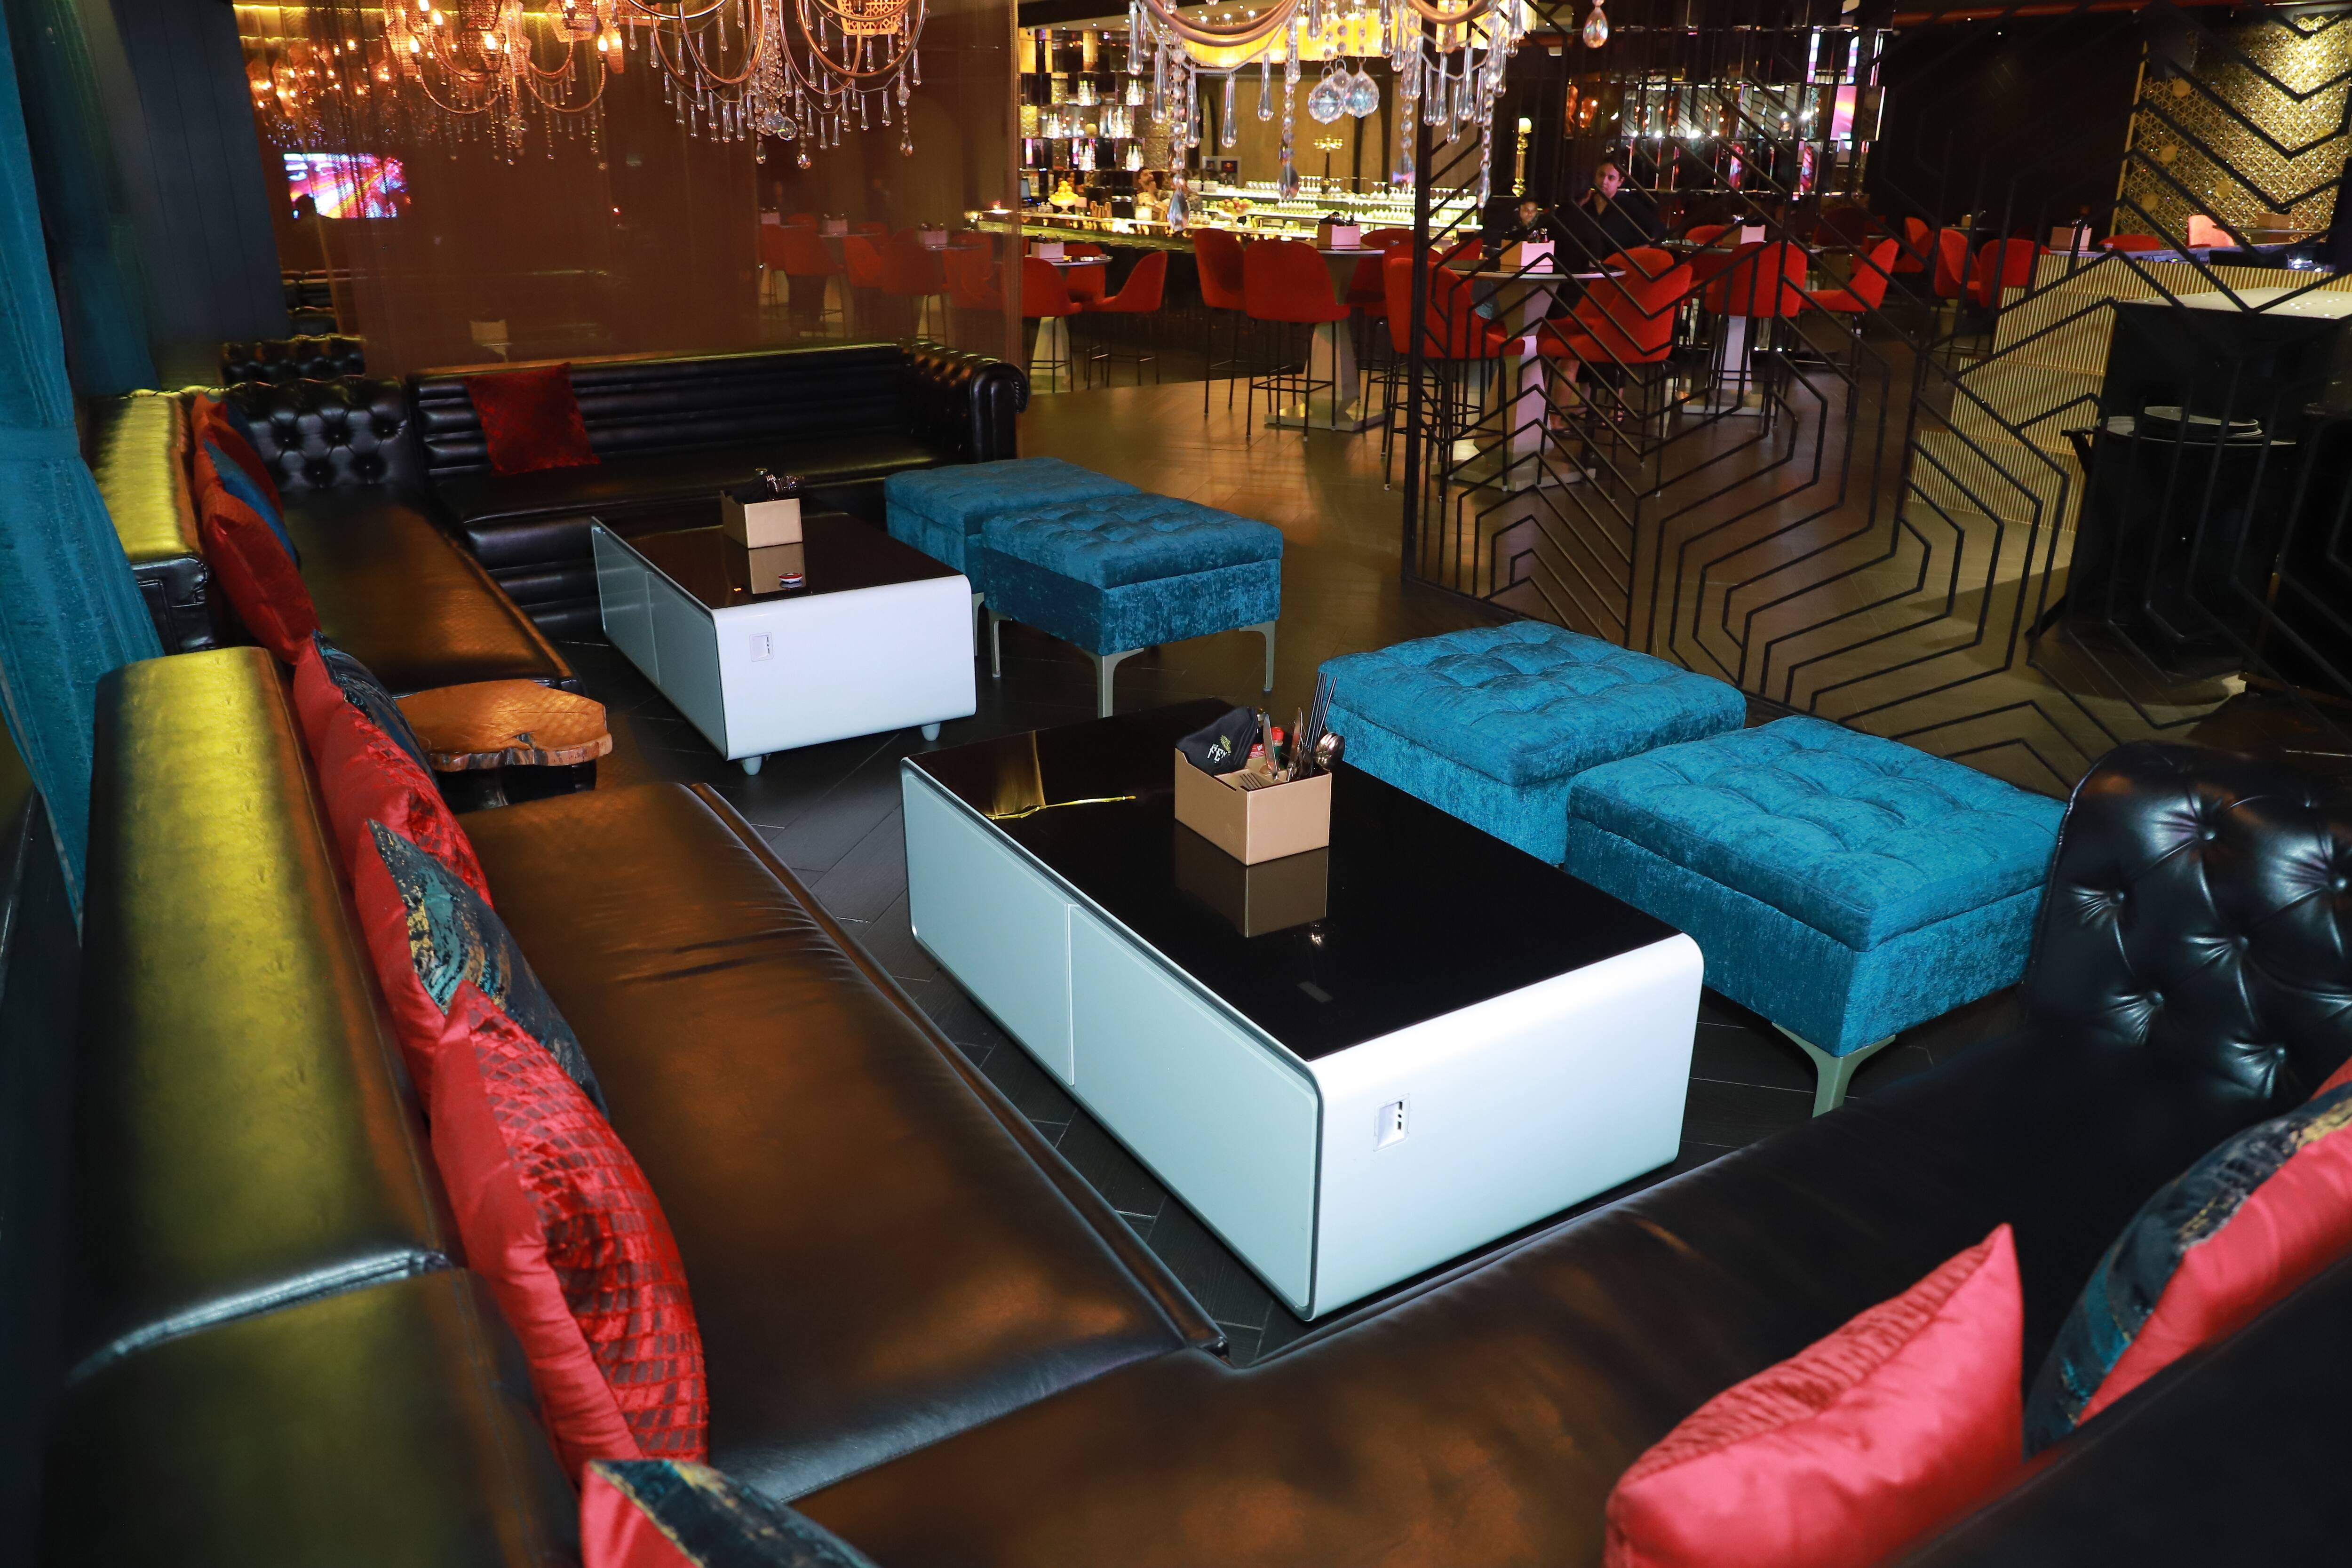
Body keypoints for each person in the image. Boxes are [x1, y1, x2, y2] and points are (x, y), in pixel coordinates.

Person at [1561, 158, 1661, 269]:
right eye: (1601, 175)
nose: (1604, 181)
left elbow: (1659, 231)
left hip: (1618, 268)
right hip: (1586, 267)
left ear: (1620, 182)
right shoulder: (1585, 201)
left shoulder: (1629, 205)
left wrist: (1634, 253)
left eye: (1611, 178)